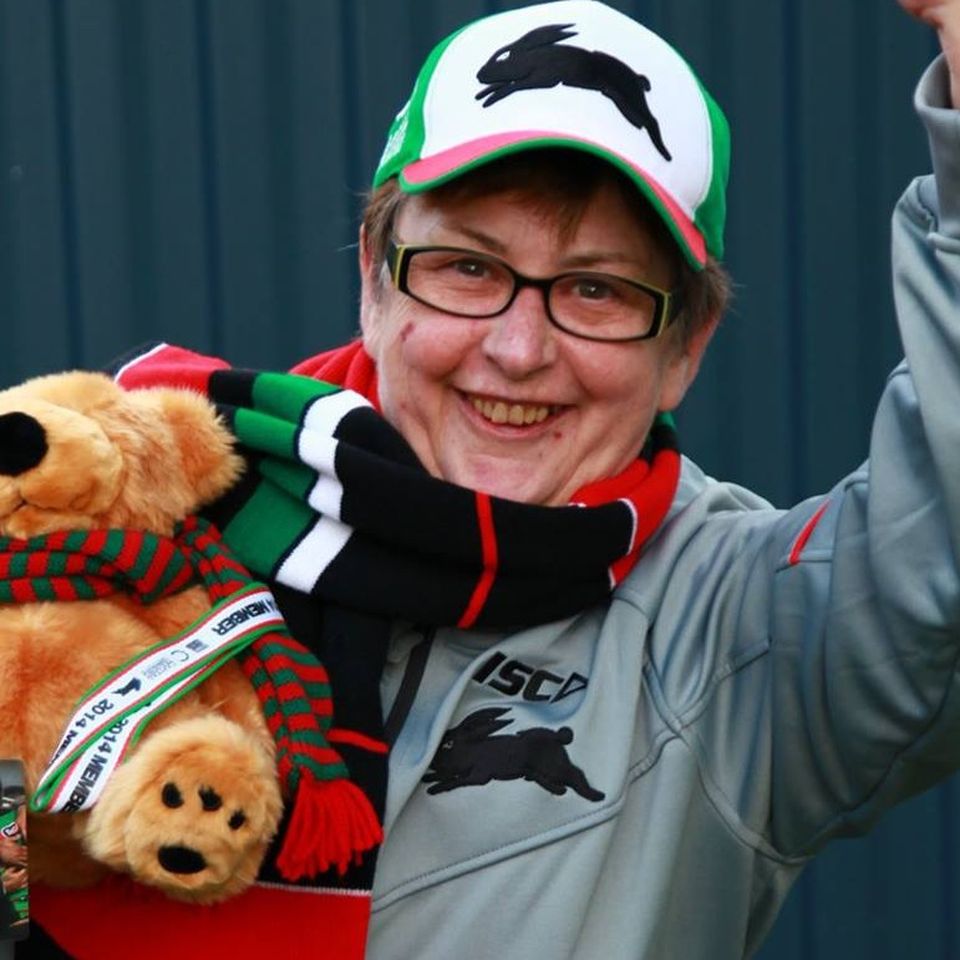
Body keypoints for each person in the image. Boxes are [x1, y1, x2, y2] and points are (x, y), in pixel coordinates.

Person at [20, 0, 960, 958]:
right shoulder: (137, 508)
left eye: (597, 288)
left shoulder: (740, 636)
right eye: (468, 268)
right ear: (375, 278)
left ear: (685, 347)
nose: (517, 350)